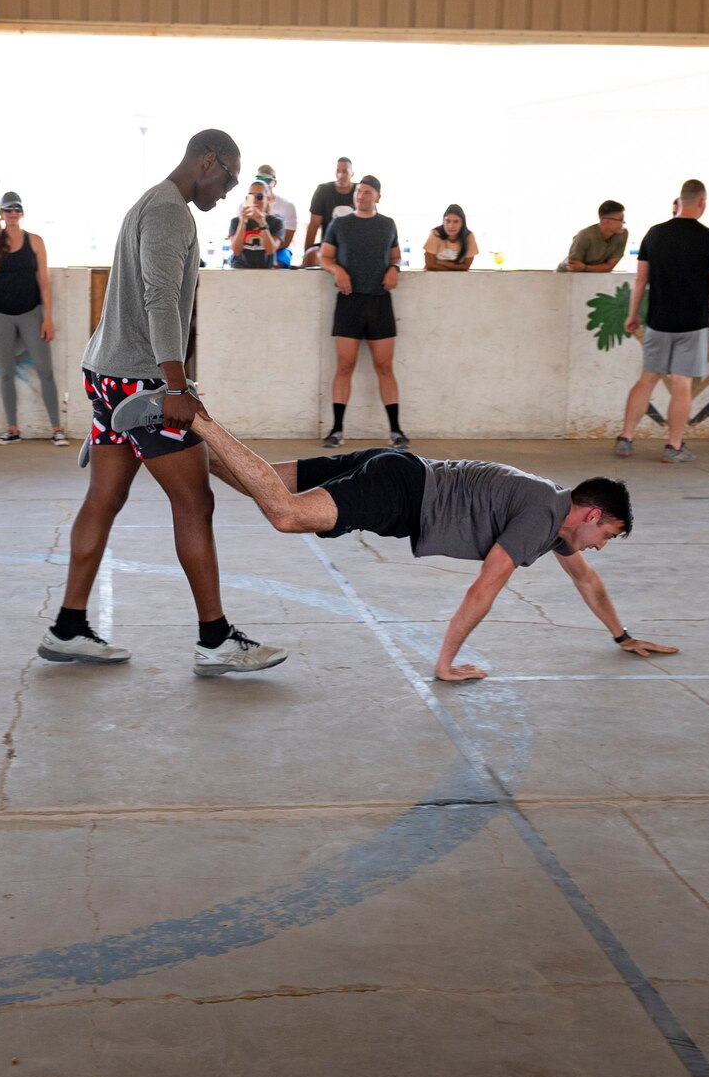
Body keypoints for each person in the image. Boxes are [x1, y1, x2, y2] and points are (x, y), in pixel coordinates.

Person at [102, 396, 674, 683]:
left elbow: (586, 581)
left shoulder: (552, 514)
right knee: (284, 514)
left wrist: (622, 635)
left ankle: (164, 423)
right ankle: (192, 415)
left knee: (261, 480)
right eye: (607, 535)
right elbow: (485, 588)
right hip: (401, 492)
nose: (598, 548)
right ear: (592, 514)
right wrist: (445, 661)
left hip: (398, 467)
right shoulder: (541, 519)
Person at [38, 128, 286, 678]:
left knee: (104, 498)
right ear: (209, 160)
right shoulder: (172, 211)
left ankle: (68, 627)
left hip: (106, 375)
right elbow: (158, 299)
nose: (229, 191)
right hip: (143, 384)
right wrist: (174, 386)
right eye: (229, 178)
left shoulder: (150, 203)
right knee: (195, 503)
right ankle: (215, 639)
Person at [614, 179, 709, 463]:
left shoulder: (654, 234)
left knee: (647, 379)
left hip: (658, 321)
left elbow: (641, 280)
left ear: (680, 201)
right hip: (693, 324)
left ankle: (626, 438)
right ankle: (673, 446)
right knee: (681, 384)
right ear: (701, 202)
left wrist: (632, 314)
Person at [319, 174, 405, 450]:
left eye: (367, 192)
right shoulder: (340, 224)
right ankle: (336, 430)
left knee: (384, 367)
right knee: (344, 366)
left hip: (380, 302)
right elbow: (325, 256)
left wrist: (394, 269)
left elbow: (395, 256)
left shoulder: (387, 224)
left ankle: (395, 431)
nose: (361, 195)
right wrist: (338, 270)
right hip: (349, 302)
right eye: (359, 191)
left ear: (377, 196)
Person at [0, 191, 66, 447]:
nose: (13, 214)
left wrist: (47, 318)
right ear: (1, 214)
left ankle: (56, 429)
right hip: (0, 313)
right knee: (5, 372)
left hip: (31, 312)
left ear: (22, 213)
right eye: (8, 210)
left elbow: (44, 282)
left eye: (17, 210)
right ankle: (12, 429)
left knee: (45, 371)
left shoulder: (35, 241)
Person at [305, 156, 359, 258]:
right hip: (329, 245)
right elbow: (314, 225)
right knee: (311, 255)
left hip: (355, 245)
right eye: (338, 171)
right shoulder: (323, 191)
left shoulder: (360, 191)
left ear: (352, 173)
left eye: (345, 172)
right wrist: (307, 253)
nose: (340, 175)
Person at [226, 182, 283, 269]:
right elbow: (236, 251)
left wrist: (262, 223)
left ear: (267, 199)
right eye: (251, 196)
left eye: (259, 197)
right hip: (240, 271)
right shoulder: (236, 222)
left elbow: (271, 250)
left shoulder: (276, 222)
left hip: (265, 271)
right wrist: (243, 222)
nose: (255, 200)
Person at [561, 201, 629, 272]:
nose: (623, 223)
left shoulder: (622, 234)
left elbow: (609, 266)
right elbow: (573, 267)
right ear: (606, 221)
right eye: (621, 220)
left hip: (593, 276)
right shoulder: (585, 236)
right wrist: (586, 268)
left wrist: (585, 268)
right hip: (563, 277)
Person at [254, 164, 300, 266]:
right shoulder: (244, 204)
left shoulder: (287, 206)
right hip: (249, 247)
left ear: (274, 183)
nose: (263, 183)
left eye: (267, 180)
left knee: (276, 264)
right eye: (259, 179)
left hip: (279, 248)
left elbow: (286, 240)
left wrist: (266, 248)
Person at [423, 205, 478, 271]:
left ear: (462, 223)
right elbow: (430, 265)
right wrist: (456, 267)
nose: (451, 226)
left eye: (456, 222)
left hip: (458, 278)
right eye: (447, 221)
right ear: (443, 221)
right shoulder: (435, 233)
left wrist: (439, 262)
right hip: (433, 277)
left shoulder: (469, 236)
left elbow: (465, 267)